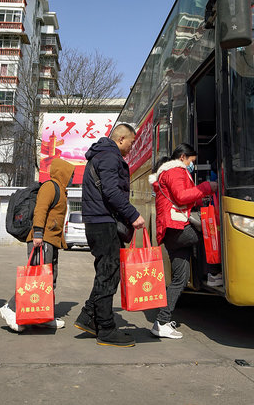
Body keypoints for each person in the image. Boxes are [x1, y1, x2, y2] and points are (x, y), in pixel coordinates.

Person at [74, 124, 146, 347]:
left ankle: (89, 317)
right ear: (122, 138)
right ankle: (105, 329)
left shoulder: (103, 155)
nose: (132, 148)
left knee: (107, 273)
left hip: (99, 221)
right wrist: (133, 215)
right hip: (103, 222)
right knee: (108, 273)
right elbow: (111, 191)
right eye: (131, 143)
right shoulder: (109, 157)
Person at [0, 158, 75, 332]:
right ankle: (10, 308)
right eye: (69, 174)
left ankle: (43, 315)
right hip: (42, 239)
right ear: (62, 172)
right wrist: (38, 232)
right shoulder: (50, 186)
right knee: (35, 279)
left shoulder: (62, 190)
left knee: (48, 279)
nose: (71, 178)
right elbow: (40, 209)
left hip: (52, 240)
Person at [149, 144, 218, 339]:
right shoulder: (175, 170)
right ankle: (213, 273)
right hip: (176, 227)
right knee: (207, 236)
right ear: (183, 157)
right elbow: (180, 196)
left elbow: (182, 197)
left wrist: (197, 199)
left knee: (180, 278)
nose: (191, 166)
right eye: (191, 162)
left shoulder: (169, 172)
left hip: (170, 230)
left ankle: (161, 322)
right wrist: (205, 188)